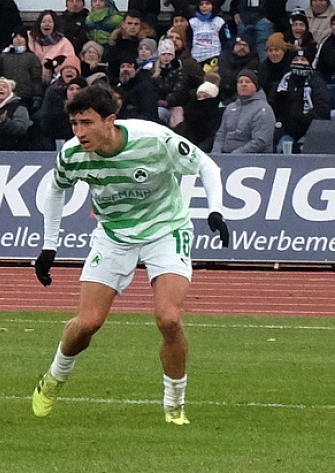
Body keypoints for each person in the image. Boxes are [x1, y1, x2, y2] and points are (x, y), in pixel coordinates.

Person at [31, 84, 230, 426]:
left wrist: (216, 210)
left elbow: (206, 166)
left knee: (169, 319)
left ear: (110, 120)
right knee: (88, 323)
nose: (80, 132)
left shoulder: (153, 139)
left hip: (166, 229)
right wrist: (49, 245)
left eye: (87, 123)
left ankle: (174, 404)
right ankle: (53, 377)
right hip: (113, 234)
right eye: (75, 124)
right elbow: (55, 189)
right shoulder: (72, 155)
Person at [270, 51, 332, 153]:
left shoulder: (316, 81)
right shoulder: (283, 81)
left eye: (303, 60)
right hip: (286, 131)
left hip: (310, 131)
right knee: (281, 149)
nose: (299, 62)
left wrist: (303, 119)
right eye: (296, 59)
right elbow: (273, 107)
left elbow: (323, 109)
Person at [211, 69, 275, 153]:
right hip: (226, 156)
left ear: (255, 86)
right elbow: (220, 136)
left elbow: (260, 141)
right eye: (240, 82)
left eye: (247, 82)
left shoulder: (263, 109)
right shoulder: (230, 108)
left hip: (252, 157)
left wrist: (235, 155)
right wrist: (216, 154)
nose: (243, 84)